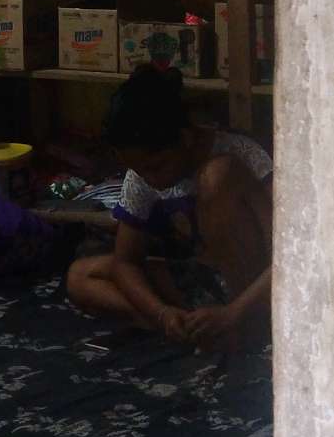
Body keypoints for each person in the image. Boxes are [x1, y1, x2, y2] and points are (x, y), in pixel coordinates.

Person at [65, 65, 272, 346]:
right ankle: (191, 327)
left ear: (186, 139)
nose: (150, 179)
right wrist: (161, 314)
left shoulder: (240, 157)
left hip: (256, 292)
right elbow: (126, 262)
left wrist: (233, 313)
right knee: (81, 276)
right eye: (140, 171)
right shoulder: (142, 175)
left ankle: (242, 328)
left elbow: (288, 258)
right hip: (205, 282)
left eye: (156, 167)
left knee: (217, 176)